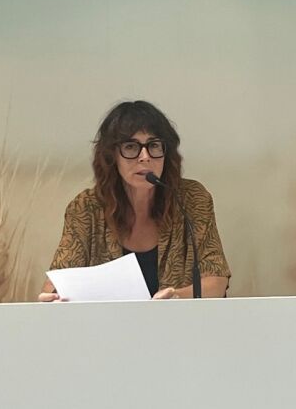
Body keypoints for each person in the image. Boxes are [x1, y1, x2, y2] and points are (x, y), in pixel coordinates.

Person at [39, 101, 230, 300]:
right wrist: (53, 298)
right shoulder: (86, 208)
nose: (145, 157)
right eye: (131, 147)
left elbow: (216, 281)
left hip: (178, 319)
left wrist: (175, 298)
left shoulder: (191, 200)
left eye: (154, 145)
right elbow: (57, 282)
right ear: (112, 156)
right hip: (107, 320)